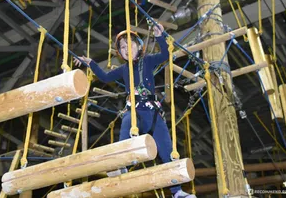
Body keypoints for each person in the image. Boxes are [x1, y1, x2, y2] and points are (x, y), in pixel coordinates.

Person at [74, 24, 196, 198]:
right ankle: (121, 164)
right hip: (135, 111)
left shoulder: (148, 61)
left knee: (167, 151)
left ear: (139, 46)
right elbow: (105, 77)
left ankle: (177, 192)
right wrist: (90, 63)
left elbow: (165, 55)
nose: (126, 49)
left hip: (153, 113)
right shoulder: (124, 69)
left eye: (129, 45)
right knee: (125, 129)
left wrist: (160, 36)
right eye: (123, 47)